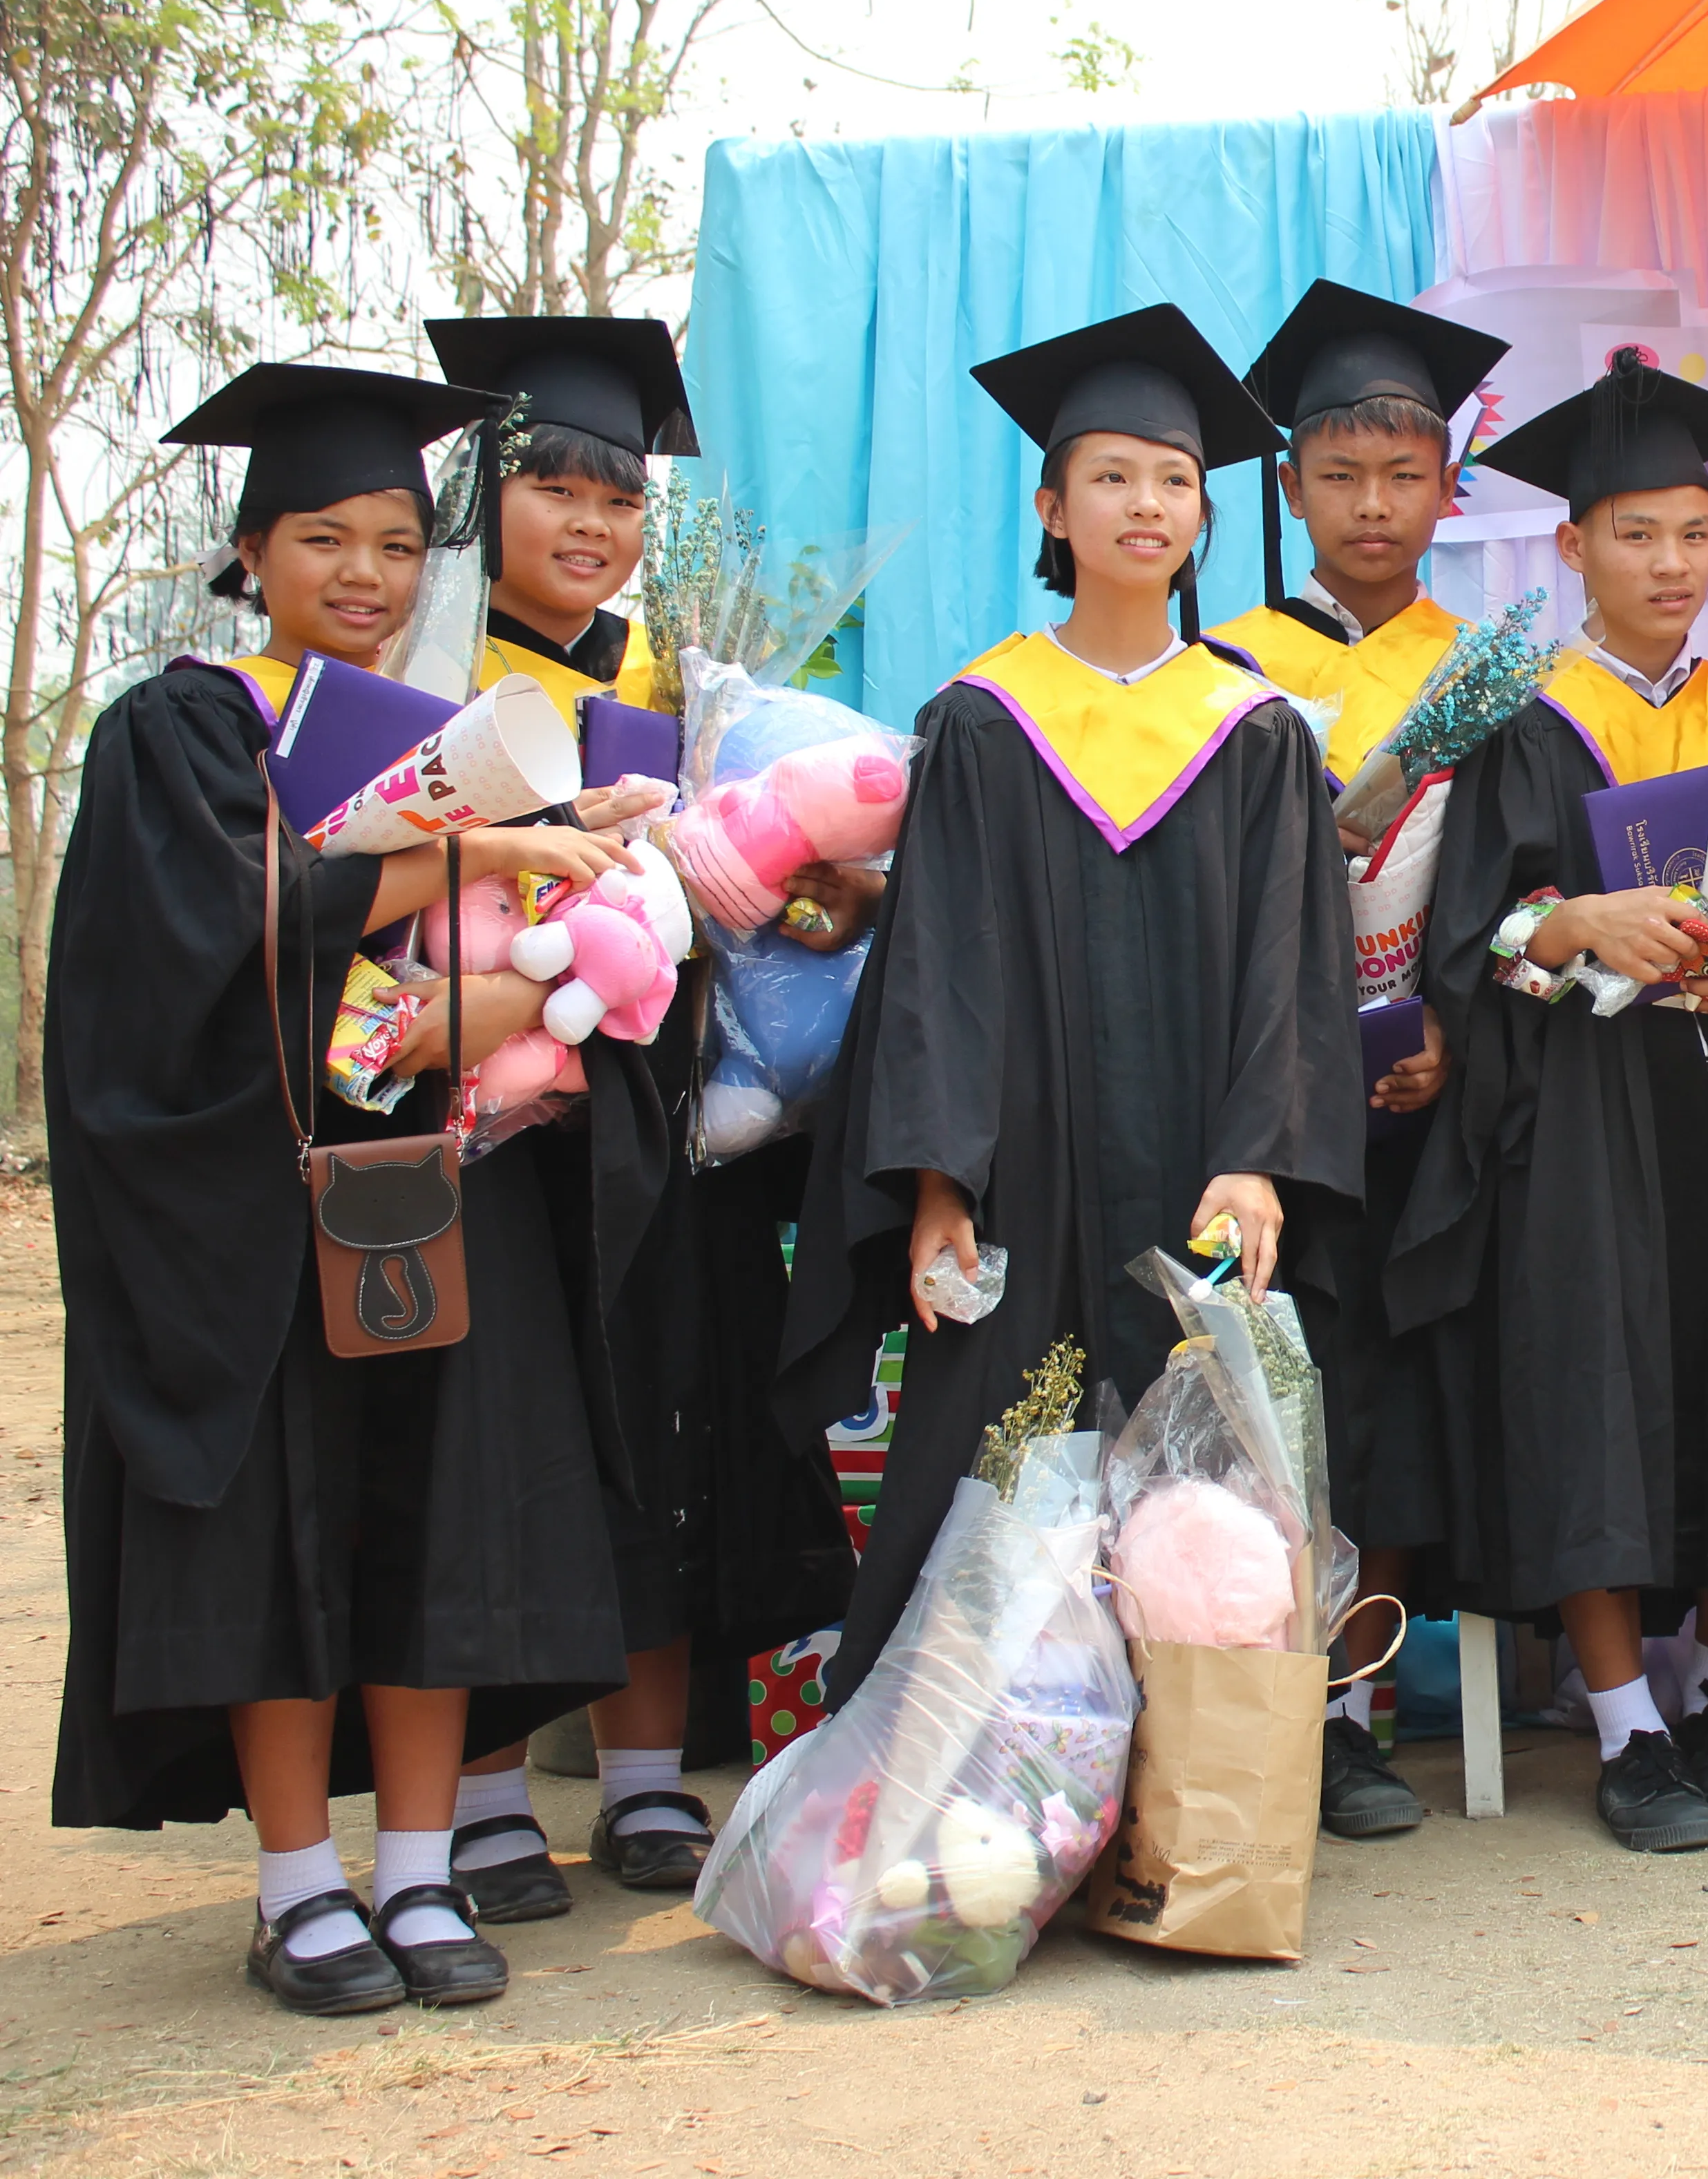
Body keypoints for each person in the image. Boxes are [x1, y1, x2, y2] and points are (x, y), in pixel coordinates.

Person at [51, 364, 664, 2013]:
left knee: (434, 1520)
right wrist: (486, 852)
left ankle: (414, 1865)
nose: (366, 576)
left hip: (443, 1185)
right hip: (250, 1214)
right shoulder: (182, 721)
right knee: (283, 1532)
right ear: (250, 551)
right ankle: (296, 1883)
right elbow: (215, 936)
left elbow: (532, 963)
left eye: (397, 543)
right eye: (323, 538)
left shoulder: (463, 738)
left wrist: (570, 870)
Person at [779, 304, 1365, 1704]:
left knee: (1203, 1501)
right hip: (1021, 1185)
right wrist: (938, 1184)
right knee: (996, 1472)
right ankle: (967, 1797)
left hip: (1196, 1177)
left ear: (1204, 512)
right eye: (1110, 476)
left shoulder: (1258, 732)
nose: (1145, 504)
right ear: (1051, 505)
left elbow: (1295, 966)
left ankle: (1208, 1788)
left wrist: (1259, 1152)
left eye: (1173, 480)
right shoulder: (984, 720)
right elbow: (939, 976)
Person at [1385, 348, 1708, 1854]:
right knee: (1594, 1400)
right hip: (1586, 1112)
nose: (1671, 563)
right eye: (1637, 534)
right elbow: (1474, 943)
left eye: (1695, 533)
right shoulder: (1526, 723)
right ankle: (1624, 1724)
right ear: (1574, 545)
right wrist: (1576, 925)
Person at [417, 315, 862, 1915]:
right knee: (494, 1448)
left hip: (671, 1116)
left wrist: (797, 893)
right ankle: (473, 1797)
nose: (592, 525)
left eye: (619, 501)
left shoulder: (696, 685)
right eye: (554, 489)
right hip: (493, 1123)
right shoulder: (422, 675)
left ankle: (646, 1780)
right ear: (488, 499)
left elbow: (795, 872)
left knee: (669, 1419)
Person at [1223, 281, 1508, 1840]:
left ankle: (1351, 1715)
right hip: (1279, 1112)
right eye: (1343, 477)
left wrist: (1457, 1030)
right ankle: (1252, 1703)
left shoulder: (1499, 681)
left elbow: (1514, 881)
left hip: (1434, 1110)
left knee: (1392, 1413)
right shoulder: (1229, 668)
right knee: (1283, 1412)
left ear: (1446, 490)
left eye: (1406, 476)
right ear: (1291, 490)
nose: (1375, 505)